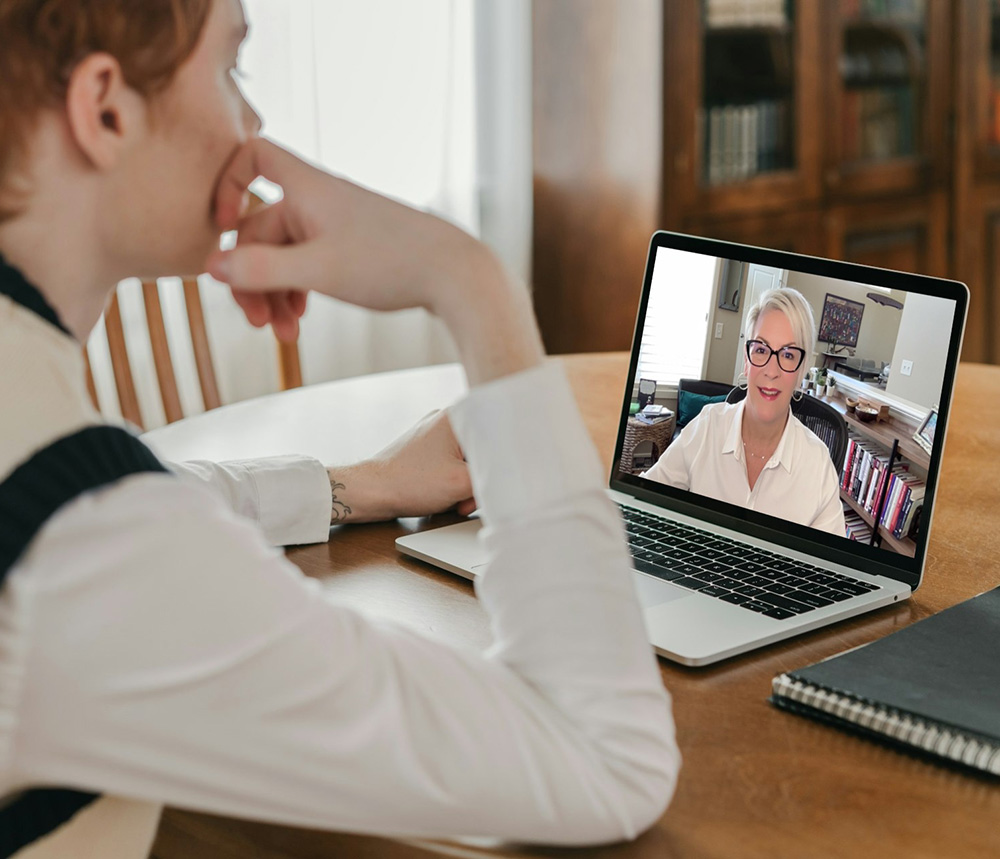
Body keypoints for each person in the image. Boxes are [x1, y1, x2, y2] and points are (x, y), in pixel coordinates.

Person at [0, 1, 679, 855]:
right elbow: (607, 758)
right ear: (105, 109)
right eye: (231, 69)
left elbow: (120, 504)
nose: (252, 123)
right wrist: (470, 281)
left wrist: (358, 485)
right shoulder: (81, 552)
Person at [643, 288, 846, 536]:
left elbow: (829, 568)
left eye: (788, 355)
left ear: (801, 370)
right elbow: (645, 501)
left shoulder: (818, 464)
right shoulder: (707, 427)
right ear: (746, 360)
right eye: (761, 350)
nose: (772, 371)